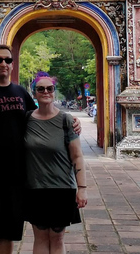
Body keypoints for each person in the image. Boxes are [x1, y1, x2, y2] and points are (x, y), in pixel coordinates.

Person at [0, 46, 81, 254]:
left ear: (12, 64)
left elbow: (42, 114)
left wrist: (72, 121)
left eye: (8, 60)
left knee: (8, 233)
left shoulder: (20, 93)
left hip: (17, 178)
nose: (3, 64)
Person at [24, 72, 87, 254]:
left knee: (57, 238)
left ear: (54, 91)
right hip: (34, 188)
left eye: (49, 88)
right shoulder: (26, 119)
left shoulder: (66, 120)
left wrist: (82, 188)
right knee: (40, 237)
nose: (45, 92)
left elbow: (77, 156)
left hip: (61, 189)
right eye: (40, 89)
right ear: (34, 93)